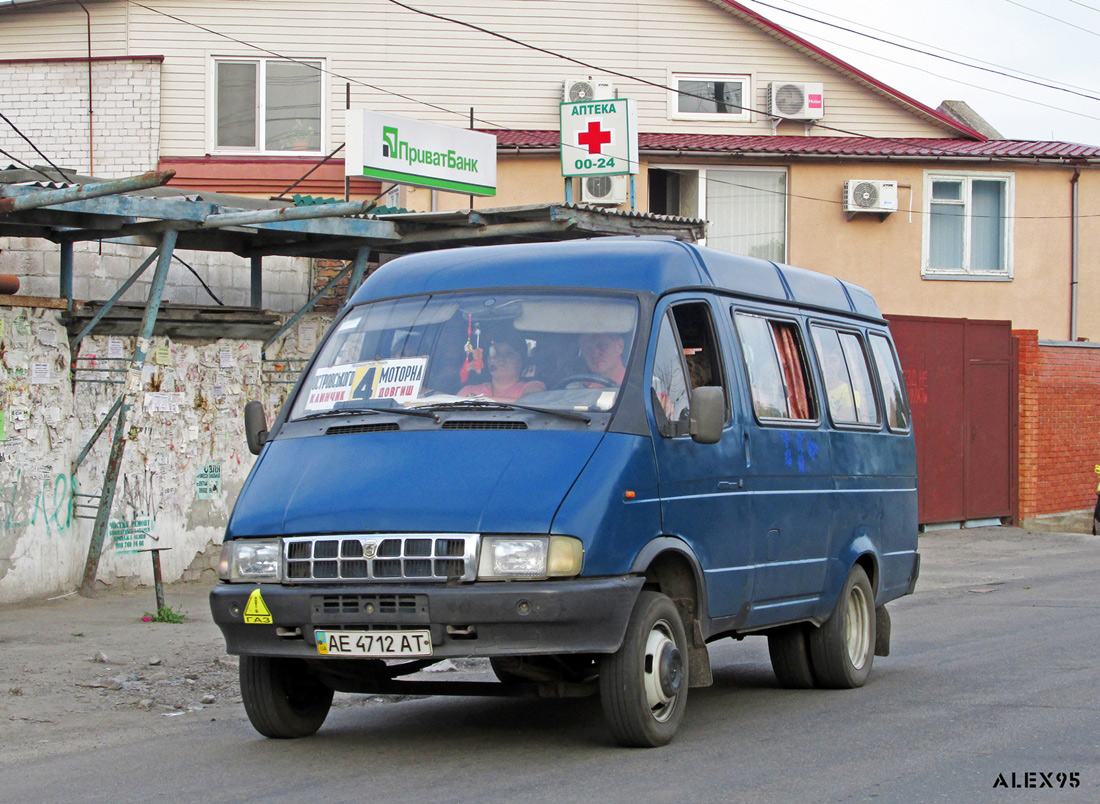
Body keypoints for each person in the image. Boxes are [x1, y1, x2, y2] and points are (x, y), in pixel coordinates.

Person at [458, 336, 545, 400]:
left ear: (521, 362)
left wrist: (474, 402)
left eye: (509, 354)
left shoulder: (532, 387)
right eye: (495, 353)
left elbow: (529, 405)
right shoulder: (469, 391)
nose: (500, 359)